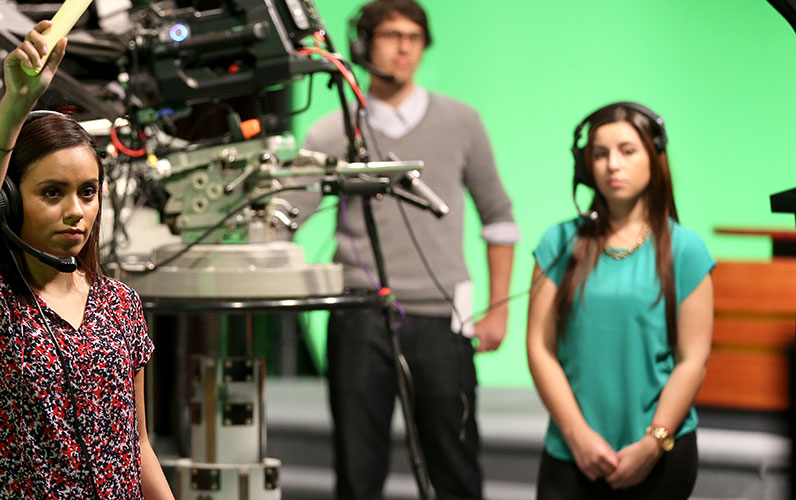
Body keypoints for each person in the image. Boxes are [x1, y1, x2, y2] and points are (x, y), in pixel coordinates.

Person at [0, 21, 173, 499]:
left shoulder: (120, 302)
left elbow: (138, 442)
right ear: (10, 203)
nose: (76, 211)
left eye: (88, 192)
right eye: (51, 192)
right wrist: (14, 108)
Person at [301, 0, 518, 498]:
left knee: (455, 465)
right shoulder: (332, 131)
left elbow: (500, 220)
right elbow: (285, 217)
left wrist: (499, 312)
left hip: (443, 319)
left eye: (413, 37)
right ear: (363, 45)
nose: (403, 47)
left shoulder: (463, 122)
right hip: (359, 318)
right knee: (358, 469)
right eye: (391, 35)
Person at [526, 102, 713, 500]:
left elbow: (692, 359)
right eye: (600, 153)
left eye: (628, 150)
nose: (613, 164)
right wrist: (577, 435)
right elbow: (540, 348)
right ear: (585, 165)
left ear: (653, 157)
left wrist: (654, 441)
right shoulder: (557, 244)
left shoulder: (686, 249)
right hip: (571, 453)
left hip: (661, 454)